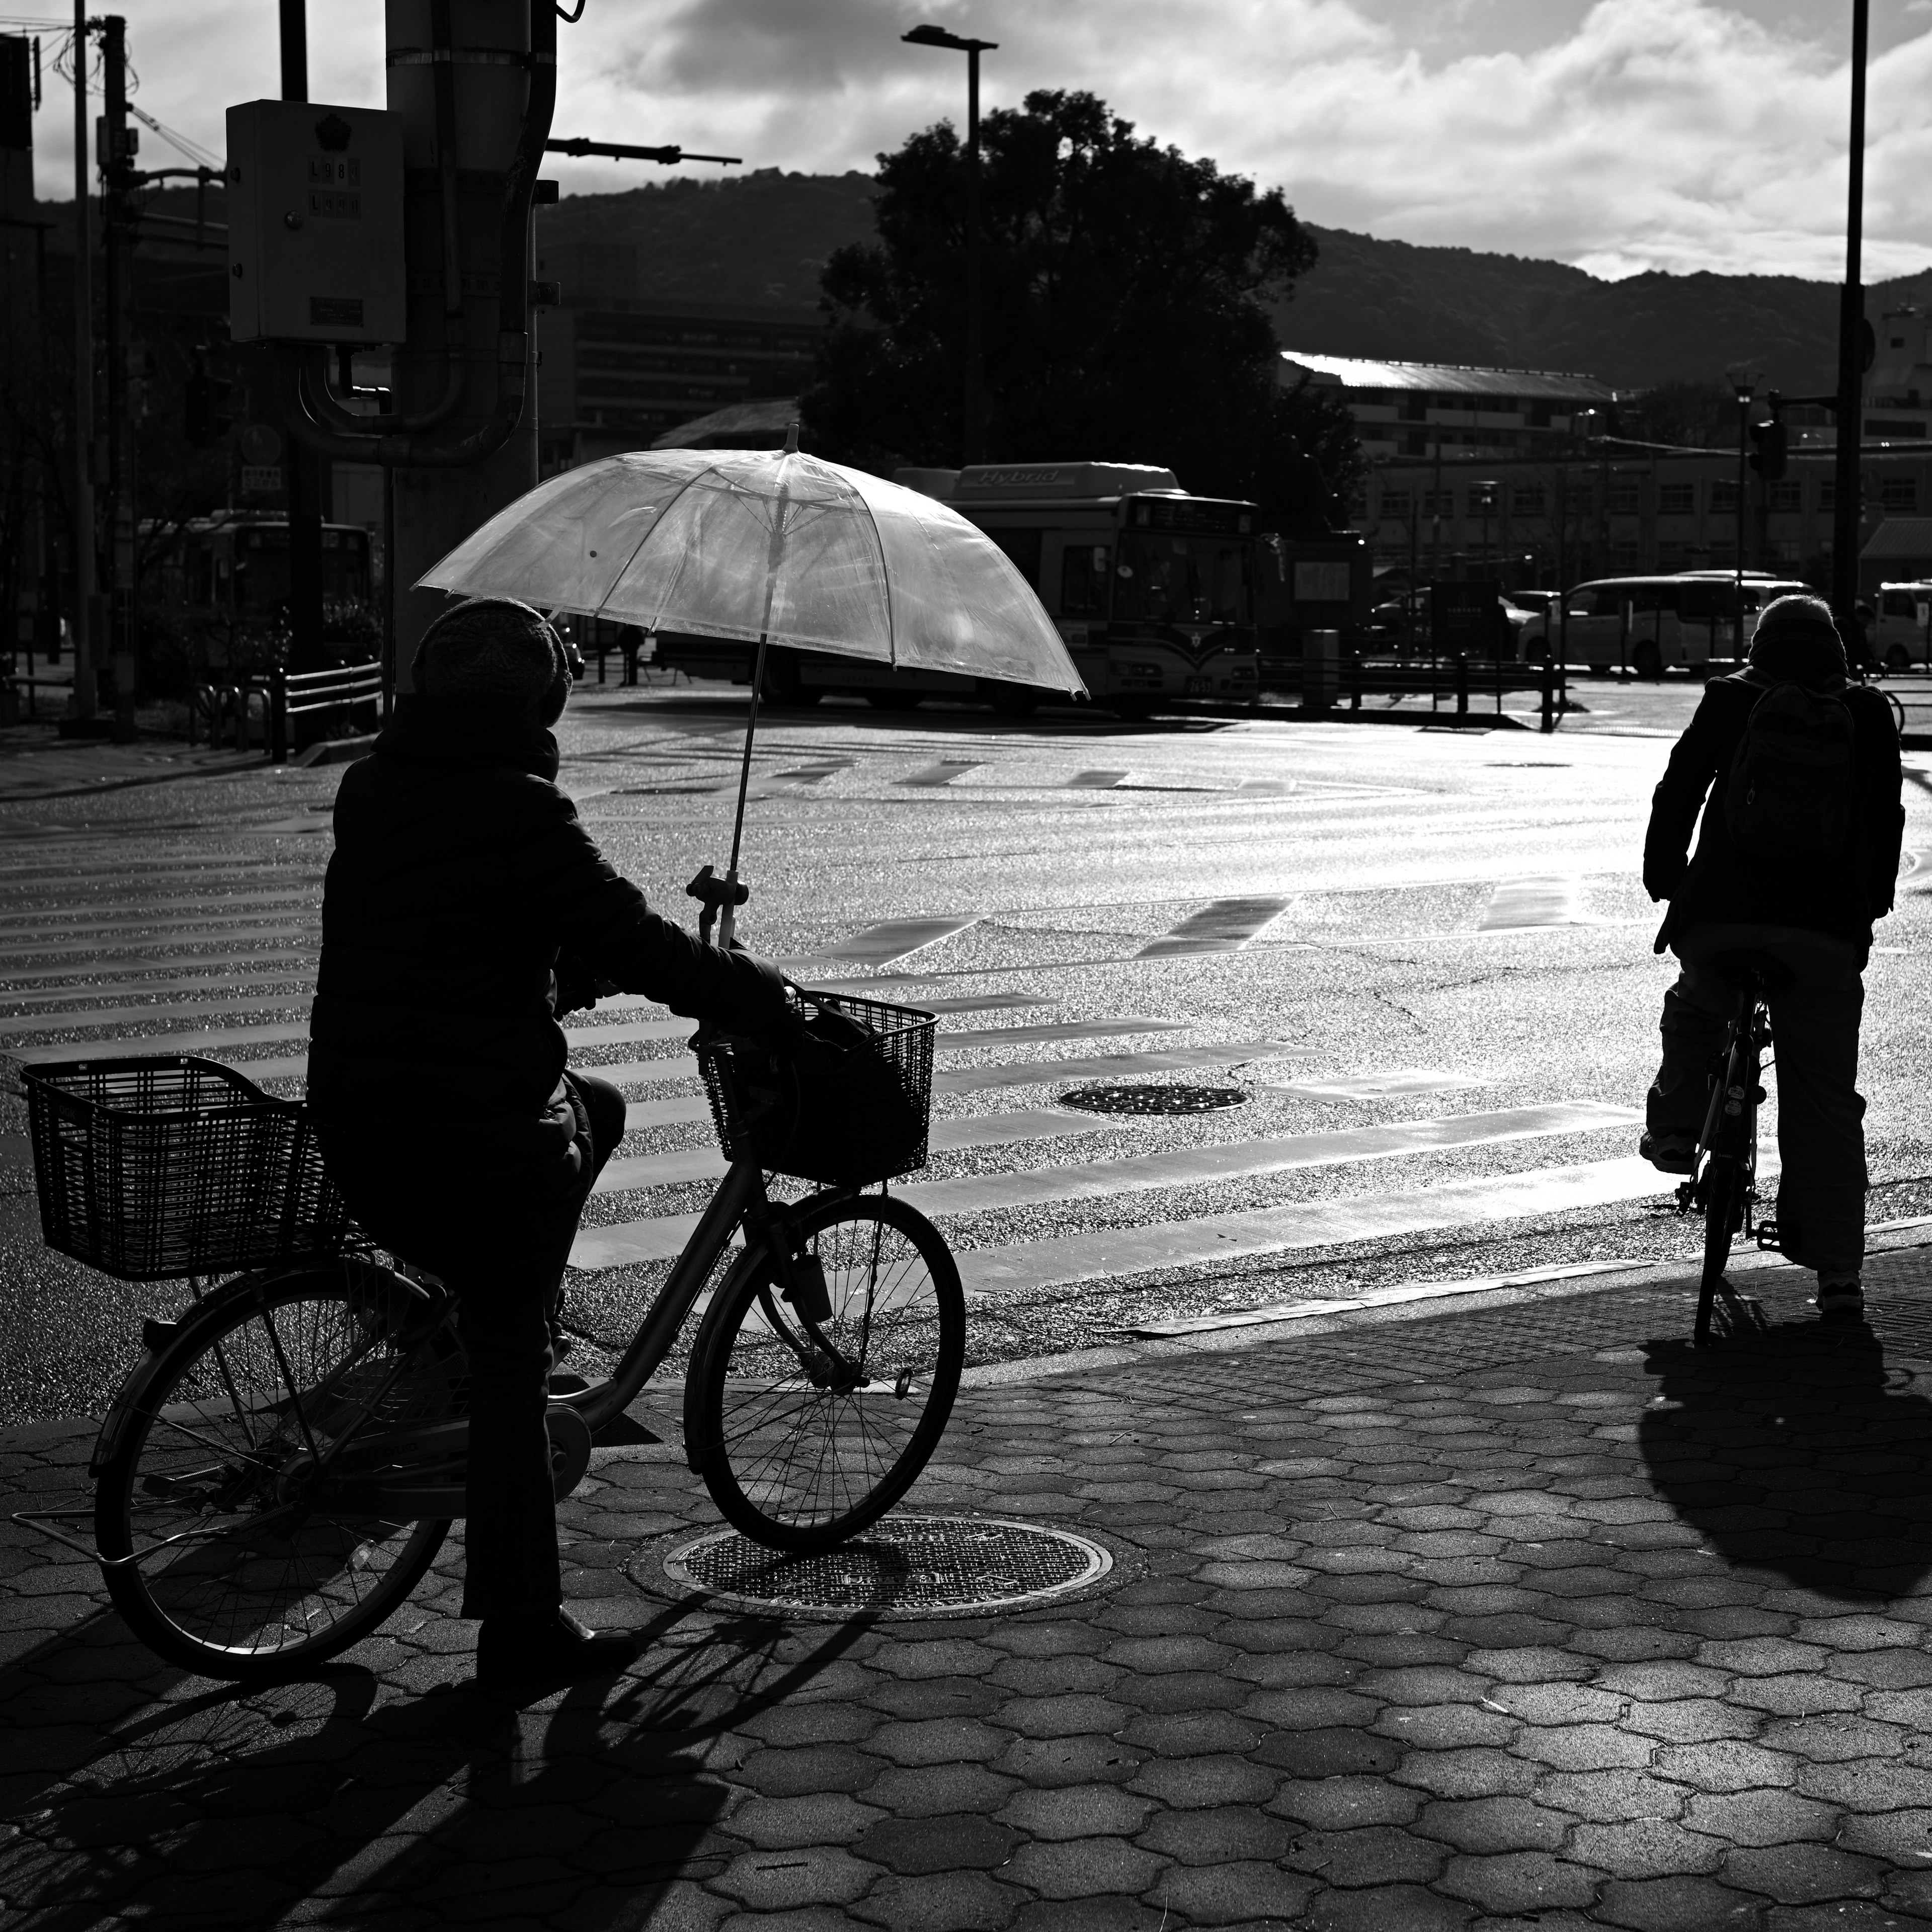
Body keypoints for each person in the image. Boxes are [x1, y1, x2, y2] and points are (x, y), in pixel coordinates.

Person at [306, 596, 791, 1684]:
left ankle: (512, 1304)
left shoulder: (373, 783)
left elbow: (451, 931)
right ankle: (522, 1632)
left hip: (361, 1116)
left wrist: (560, 972)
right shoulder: (519, 808)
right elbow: (628, 933)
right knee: (512, 1372)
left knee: (600, 1106)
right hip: (461, 1140)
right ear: (543, 703)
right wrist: (753, 997)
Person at [1641, 592, 1904, 1321]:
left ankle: (1674, 1129)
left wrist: (1670, 882)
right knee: (1824, 1099)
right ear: (1835, 651)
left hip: (1720, 913)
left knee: (1698, 1002)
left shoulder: (1731, 697)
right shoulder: (1868, 713)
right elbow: (1886, 816)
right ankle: (1838, 1275)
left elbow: (1679, 791)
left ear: (1760, 647)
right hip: (1821, 931)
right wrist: (1866, 909)